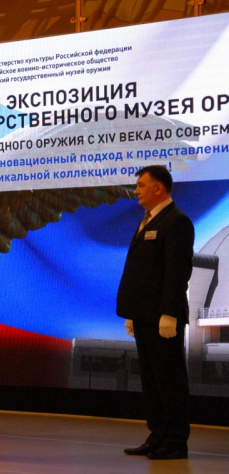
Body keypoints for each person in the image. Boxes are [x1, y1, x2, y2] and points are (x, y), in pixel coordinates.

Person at [117, 165, 193, 460]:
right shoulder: (147, 219)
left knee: (169, 381)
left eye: (141, 185)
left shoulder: (176, 221)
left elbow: (177, 272)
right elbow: (142, 271)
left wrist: (169, 314)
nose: (136, 190)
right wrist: (132, 313)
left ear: (158, 187)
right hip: (144, 315)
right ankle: (158, 434)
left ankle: (175, 441)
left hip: (163, 318)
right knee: (151, 381)